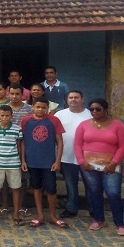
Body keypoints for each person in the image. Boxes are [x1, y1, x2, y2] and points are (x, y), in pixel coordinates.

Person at [75, 98, 124, 235]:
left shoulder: (117, 125)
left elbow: (123, 146)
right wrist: (81, 161)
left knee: (113, 193)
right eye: (91, 109)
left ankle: (119, 223)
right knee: (94, 191)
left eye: (98, 109)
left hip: (110, 165)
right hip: (89, 166)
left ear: (105, 110)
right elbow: (77, 145)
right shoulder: (83, 125)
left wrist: (114, 162)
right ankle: (99, 220)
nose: (94, 111)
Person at [21, 97, 68, 229]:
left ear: (47, 108)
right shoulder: (26, 121)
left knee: (51, 188)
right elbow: (23, 141)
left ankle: (53, 216)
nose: (40, 109)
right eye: (38, 107)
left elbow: (59, 142)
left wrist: (57, 161)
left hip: (49, 162)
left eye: (43, 107)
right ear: (32, 107)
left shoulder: (53, 120)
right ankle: (40, 215)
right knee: (36, 187)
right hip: (32, 161)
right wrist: (23, 160)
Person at [54, 90, 93, 219]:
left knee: (91, 184)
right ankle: (71, 208)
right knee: (70, 184)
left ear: (82, 99)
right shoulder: (60, 114)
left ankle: (94, 209)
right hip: (66, 155)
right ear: (67, 99)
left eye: (76, 97)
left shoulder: (90, 114)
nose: (73, 100)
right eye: (71, 97)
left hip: (88, 157)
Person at [0, 105, 24, 226]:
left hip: (13, 163)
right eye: (2, 115)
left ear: (11, 116)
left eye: (7, 115)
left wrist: (21, 160)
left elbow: (19, 146)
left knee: (15, 188)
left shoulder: (17, 129)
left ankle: (16, 214)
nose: (4, 118)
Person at [8, 84, 33, 218]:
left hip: (24, 147)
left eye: (17, 94)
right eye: (12, 93)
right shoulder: (4, 108)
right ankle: (5, 205)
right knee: (6, 178)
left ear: (22, 94)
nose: (14, 96)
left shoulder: (29, 109)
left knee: (23, 178)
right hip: (6, 148)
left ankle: (20, 205)